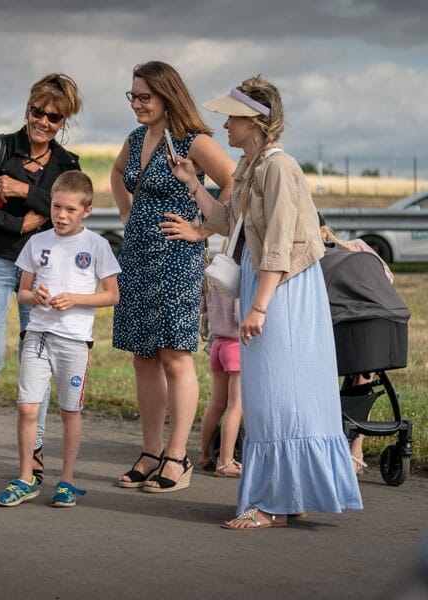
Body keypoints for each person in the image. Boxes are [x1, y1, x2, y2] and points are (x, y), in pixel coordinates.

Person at [173, 75, 362, 528]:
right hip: (271, 281)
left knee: (279, 393)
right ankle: (287, 493)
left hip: (284, 287)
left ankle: (272, 503)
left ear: (255, 121)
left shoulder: (278, 167)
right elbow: (225, 221)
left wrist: (259, 305)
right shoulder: (250, 167)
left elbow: (278, 242)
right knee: (274, 394)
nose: (224, 127)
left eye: (232, 118)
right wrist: (192, 184)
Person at [111, 61, 235, 493]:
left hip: (178, 259)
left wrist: (202, 229)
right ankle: (149, 453)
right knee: (143, 357)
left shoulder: (193, 141)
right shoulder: (135, 138)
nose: (137, 104)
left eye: (145, 96)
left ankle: (177, 457)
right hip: (137, 259)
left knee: (174, 357)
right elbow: (116, 174)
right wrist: (129, 213)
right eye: (133, 96)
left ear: (168, 96)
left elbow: (234, 185)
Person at [0, 74, 84, 484]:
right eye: (37, 111)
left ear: (63, 121)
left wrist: (20, 188)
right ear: (27, 106)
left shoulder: (68, 164)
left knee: (39, 362)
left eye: (54, 116)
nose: (43, 122)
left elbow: (64, 205)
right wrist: (20, 223)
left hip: (42, 267)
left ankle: (34, 450)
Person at [0, 171, 121, 507]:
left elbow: (112, 296)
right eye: (56, 207)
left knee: (69, 412)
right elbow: (22, 292)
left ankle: (66, 481)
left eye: (69, 209)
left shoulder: (97, 246)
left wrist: (75, 298)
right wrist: (34, 296)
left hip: (75, 342)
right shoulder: (37, 243)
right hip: (37, 335)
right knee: (26, 408)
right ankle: (25, 478)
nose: (61, 215)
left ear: (87, 211)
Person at [319, 213, 394, 475]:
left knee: (355, 379)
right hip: (374, 331)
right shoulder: (362, 248)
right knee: (365, 379)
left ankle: (351, 449)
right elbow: (387, 282)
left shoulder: (321, 258)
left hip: (342, 331)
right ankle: (356, 451)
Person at [197, 275, 243, 478]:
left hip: (217, 344)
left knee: (216, 404)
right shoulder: (239, 279)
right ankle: (225, 461)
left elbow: (203, 308)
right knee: (236, 405)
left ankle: (205, 454)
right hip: (236, 345)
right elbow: (240, 314)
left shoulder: (214, 276)